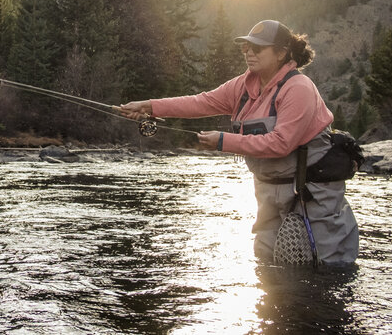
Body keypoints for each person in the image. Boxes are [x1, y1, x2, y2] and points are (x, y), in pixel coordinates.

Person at [117, 20, 358, 266]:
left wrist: (223, 141)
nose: (249, 53)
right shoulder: (244, 85)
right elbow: (201, 102)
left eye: (258, 48)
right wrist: (149, 107)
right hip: (268, 192)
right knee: (267, 262)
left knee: (327, 266)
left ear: (281, 53)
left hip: (312, 193)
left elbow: (280, 144)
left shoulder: (299, 88)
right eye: (246, 47)